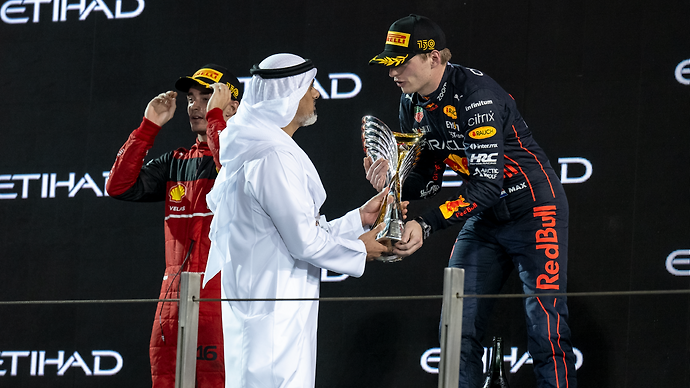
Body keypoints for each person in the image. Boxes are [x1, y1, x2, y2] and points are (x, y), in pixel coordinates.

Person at [366, 14, 577, 388]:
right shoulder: (411, 102)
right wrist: (393, 184)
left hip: (534, 210)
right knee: (456, 330)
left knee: (546, 330)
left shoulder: (476, 96)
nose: (392, 72)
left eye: (401, 62)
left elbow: (485, 185)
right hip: (486, 216)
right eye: (389, 63)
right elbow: (429, 181)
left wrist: (426, 224)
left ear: (434, 59)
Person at [203, 53, 390, 388]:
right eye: (309, 87)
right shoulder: (272, 156)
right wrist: (361, 250)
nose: (317, 94)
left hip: (275, 312)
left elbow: (292, 234)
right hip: (273, 320)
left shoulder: (259, 147)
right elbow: (303, 241)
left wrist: (358, 220)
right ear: (286, 97)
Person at [106, 64, 242, 387]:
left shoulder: (246, 158)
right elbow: (119, 186)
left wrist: (216, 121)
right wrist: (148, 127)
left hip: (224, 306)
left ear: (232, 106)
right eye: (191, 98)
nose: (195, 105)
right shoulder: (176, 162)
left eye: (207, 97)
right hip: (171, 307)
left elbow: (231, 164)